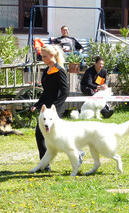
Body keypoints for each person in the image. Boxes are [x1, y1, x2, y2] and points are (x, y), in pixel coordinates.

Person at [31, 44, 84, 172]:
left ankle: (77, 153)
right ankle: (45, 165)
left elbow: (65, 91)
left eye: (44, 56)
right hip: (46, 109)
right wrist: (37, 105)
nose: (42, 58)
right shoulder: (46, 70)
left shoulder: (59, 70)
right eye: (42, 56)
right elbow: (46, 92)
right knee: (40, 135)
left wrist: (55, 108)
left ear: (52, 56)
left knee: (58, 136)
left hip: (54, 110)